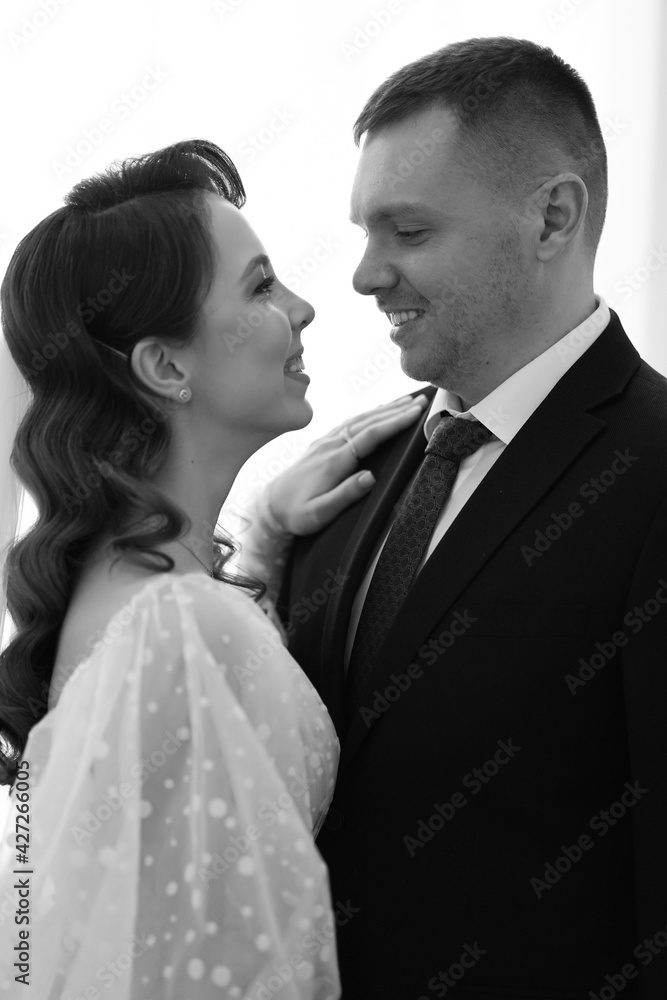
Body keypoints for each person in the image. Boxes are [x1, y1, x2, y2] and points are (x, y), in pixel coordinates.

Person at [268, 37, 667, 999]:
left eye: (407, 232)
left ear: (552, 217)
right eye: (364, 233)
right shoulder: (342, 478)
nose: (364, 277)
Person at [0, 138, 428, 998]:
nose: (303, 308)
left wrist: (261, 538)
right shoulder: (180, 631)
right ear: (165, 366)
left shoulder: (127, 595)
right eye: (261, 287)